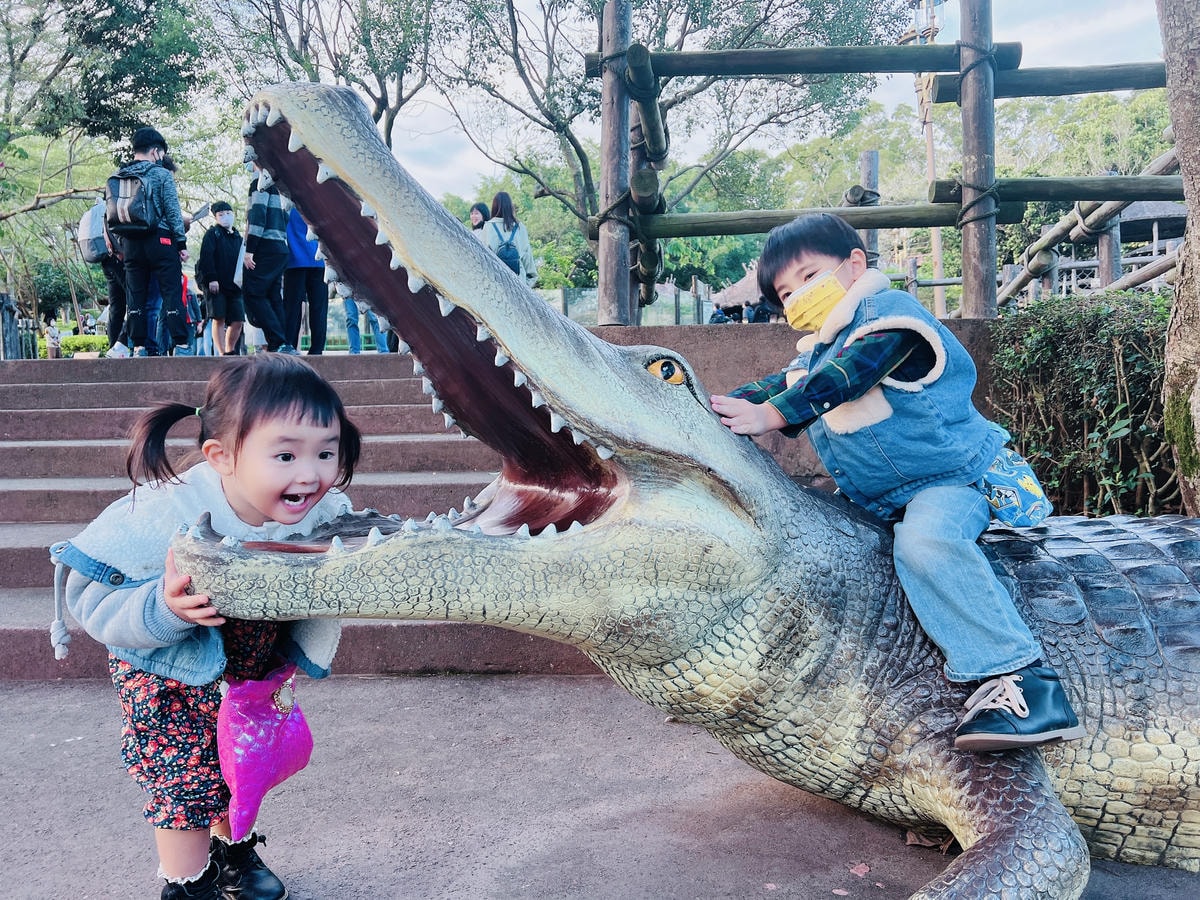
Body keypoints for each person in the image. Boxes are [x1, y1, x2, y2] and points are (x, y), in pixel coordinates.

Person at [709, 213, 1085, 754]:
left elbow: (848, 375)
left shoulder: (891, 320)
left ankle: (1022, 680)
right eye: (786, 292)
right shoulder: (820, 349)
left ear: (855, 264)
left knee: (926, 543)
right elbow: (782, 383)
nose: (798, 298)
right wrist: (710, 404)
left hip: (949, 481)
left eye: (809, 277)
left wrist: (772, 416)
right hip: (877, 497)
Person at [49, 355, 362, 899]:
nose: (309, 473)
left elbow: (347, 552)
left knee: (238, 765)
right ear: (221, 456)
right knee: (182, 784)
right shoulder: (163, 513)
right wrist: (163, 607)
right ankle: (186, 885)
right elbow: (91, 596)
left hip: (247, 669)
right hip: (167, 678)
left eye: (326, 452)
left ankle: (231, 854)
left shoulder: (322, 508)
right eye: (285, 454)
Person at [111, 128, 191, 357]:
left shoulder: (119, 175)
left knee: (135, 295)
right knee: (171, 291)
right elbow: (173, 211)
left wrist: (120, 244)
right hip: (160, 239)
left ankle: (139, 346)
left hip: (131, 243)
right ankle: (181, 344)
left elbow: (111, 214)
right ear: (155, 151)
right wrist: (181, 243)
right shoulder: (161, 174)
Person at [241, 159, 297, 354]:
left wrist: (250, 250)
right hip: (281, 246)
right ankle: (281, 344)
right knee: (273, 296)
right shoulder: (281, 186)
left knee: (254, 292)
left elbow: (257, 216)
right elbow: (287, 216)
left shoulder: (260, 184)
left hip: (264, 245)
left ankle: (278, 340)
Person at [195, 200, 245, 356]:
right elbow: (206, 257)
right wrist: (211, 278)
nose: (226, 217)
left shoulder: (238, 237)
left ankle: (230, 349)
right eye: (221, 214)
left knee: (238, 320)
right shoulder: (212, 234)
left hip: (235, 285)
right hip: (216, 285)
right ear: (216, 217)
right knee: (218, 317)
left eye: (229, 213)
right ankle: (222, 352)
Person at [283, 208, 328, 354]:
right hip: (318, 260)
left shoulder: (287, 203)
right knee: (319, 308)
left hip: (295, 261)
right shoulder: (316, 202)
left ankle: (290, 345)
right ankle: (317, 348)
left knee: (292, 308)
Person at [483, 191, 538, 286]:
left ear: (494, 207)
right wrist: (527, 284)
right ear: (510, 206)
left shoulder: (488, 227)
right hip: (518, 283)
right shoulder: (520, 227)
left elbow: (484, 257)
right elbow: (527, 256)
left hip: (496, 283)